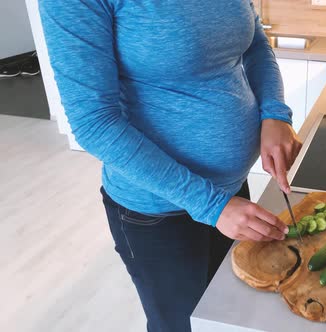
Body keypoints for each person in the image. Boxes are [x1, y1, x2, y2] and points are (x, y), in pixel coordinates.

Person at [39, 1, 302, 331]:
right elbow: (94, 121)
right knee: (181, 325)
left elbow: (255, 43)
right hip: (159, 212)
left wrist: (276, 113)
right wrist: (211, 204)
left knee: (228, 317)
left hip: (231, 195)